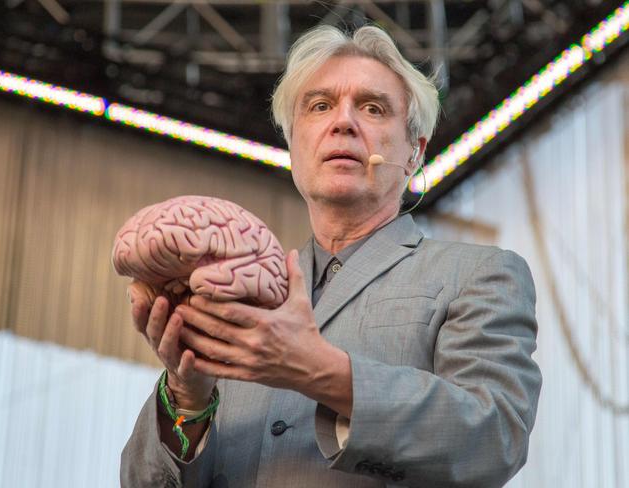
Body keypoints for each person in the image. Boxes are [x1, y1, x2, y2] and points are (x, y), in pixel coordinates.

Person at [121, 25, 542, 488]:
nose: (343, 122)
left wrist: (323, 372)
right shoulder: (231, 291)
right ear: (294, 145)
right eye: (320, 106)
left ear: (414, 153)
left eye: (373, 108)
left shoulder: (478, 274)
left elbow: (496, 437)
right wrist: (187, 399)